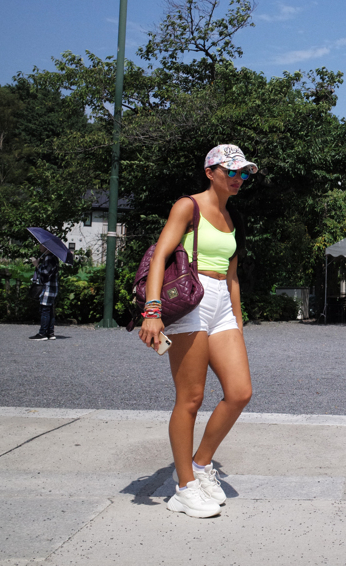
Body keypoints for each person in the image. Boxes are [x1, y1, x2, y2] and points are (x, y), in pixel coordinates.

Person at [138, 144, 256, 518]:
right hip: (191, 298)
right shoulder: (187, 206)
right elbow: (160, 257)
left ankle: (201, 464)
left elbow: (232, 275)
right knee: (191, 398)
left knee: (239, 392)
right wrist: (152, 310)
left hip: (222, 303)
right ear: (210, 172)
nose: (238, 178)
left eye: (244, 173)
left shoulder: (233, 217)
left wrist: (237, 320)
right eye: (231, 171)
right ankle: (184, 488)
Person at [29, 246, 60, 341]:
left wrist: (37, 265)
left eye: (42, 245)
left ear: (47, 247)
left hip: (48, 288)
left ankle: (42, 333)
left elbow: (45, 272)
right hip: (52, 287)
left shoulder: (49, 258)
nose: (40, 247)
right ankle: (50, 333)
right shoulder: (52, 257)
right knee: (49, 310)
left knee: (45, 310)